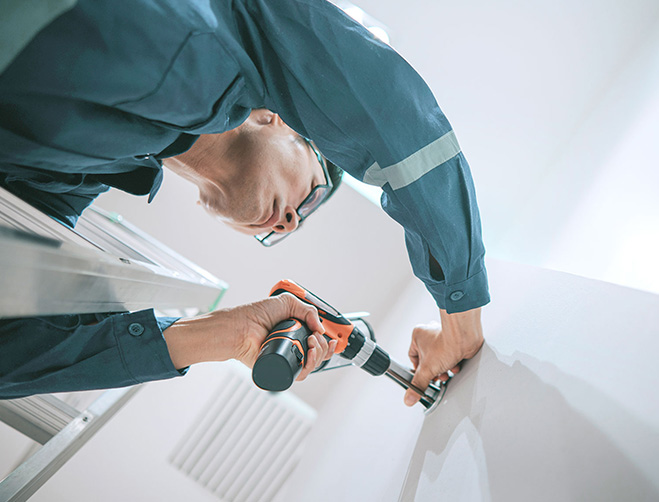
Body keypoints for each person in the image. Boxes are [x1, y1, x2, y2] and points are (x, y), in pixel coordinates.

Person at [0, 0, 489, 405]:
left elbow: (10, 353)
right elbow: (399, 133)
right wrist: (460, 321)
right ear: (279, 119)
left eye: (282, 231)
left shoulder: (71, 175)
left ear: (207, 209)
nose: (291, 219)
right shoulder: (238, 24)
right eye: (312, 193)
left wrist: (217, 335)